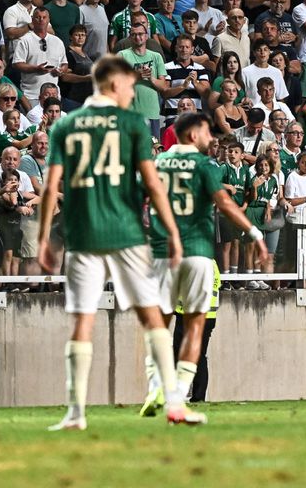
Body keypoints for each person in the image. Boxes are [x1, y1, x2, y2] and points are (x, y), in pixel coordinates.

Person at [36, 55, 197, 430]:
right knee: (151, 315)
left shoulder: (66, 125)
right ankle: (174, 402)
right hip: (126, 232)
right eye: (129, 86)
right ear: (112, 85)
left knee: (83, 322)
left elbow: (49, 188)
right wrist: (172, 232)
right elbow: (153, 184)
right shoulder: (131, 124)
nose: (132, 93)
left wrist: (45, 237)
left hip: (82, 233)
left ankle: (76, 412)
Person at [140, 112, 267, 415]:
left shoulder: (157, 163)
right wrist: (254, 233)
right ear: (193, 134)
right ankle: (178, 398)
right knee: (195, 328)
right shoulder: (205, 165)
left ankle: (157, 387)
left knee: (162, 326)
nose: (212, 139)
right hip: (196, 252)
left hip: (163, 253)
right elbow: (223, 202)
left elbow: (139, 201)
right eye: (207, 133)